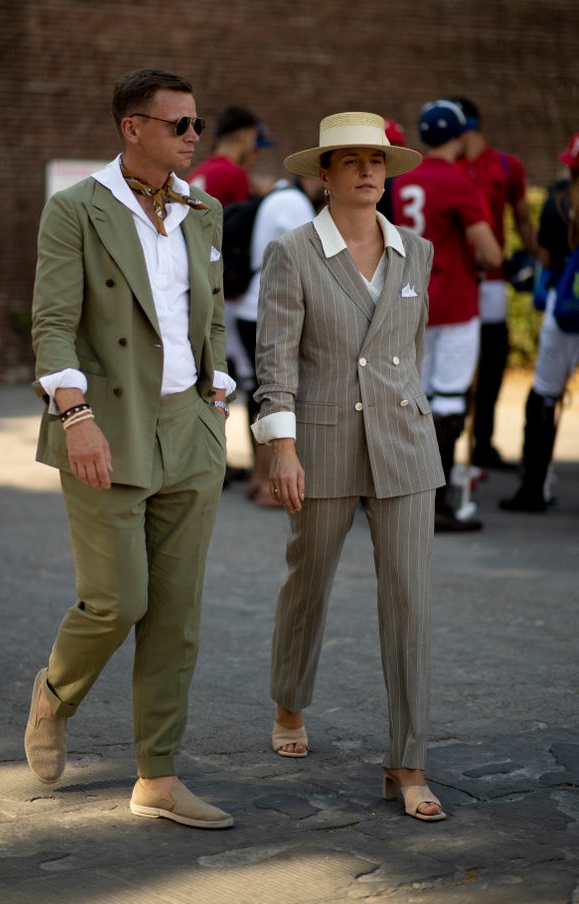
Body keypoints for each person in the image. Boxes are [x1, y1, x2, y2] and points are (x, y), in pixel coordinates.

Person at [25, 67, 235, 829]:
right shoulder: (77, 208)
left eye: (196, 124)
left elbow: (205, 314)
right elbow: (52, 320)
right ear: (132, 128)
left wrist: (219, 394)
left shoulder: (203, 209)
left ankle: (158, 776)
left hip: (192, 427)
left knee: (176, 614)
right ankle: (55, 694)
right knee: (119, 600)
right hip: (104, 424)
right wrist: (73, 413)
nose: (191, 137)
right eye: (178, 125)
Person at [253, 111, 447, 822]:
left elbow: (411, 352)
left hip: (405, 445)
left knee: (410, 604)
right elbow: (276, 357)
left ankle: (408, 761)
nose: (368, 171)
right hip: (322, 442)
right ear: (325, 174)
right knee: (309, 580)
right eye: (351, 161)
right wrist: (281, 446)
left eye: (378, 160)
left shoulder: (417, 251)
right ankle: (289, 700)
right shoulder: (293, 252)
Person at [391, 100, 503, 532]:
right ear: (459, 136)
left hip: (414, 300)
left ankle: (403, 493)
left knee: (415, 399)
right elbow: (491, 250)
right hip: (454, 302)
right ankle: (435, 504)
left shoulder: (405, 182)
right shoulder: (456, 180)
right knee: (450, 400)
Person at [453, 97, 538, 470]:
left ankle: (482, 441)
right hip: (454, 278)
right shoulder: (444, 166)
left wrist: (538, 259)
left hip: (491, 279)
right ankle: (447, 444)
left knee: (491, 361)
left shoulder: (505, 166)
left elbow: (521, 219)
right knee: (451, 365)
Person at [500, 132, 579, 512]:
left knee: (544, 396)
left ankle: (533, 488)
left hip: (564, 313)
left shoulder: (558, 203)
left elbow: (546, 260)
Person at [236, 175, 324, 505]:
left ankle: (260, 480)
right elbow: (308, 260)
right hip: (267, 305)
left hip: (252, 304)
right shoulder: (295, 203)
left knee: (261, 394)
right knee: (274, 395)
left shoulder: (277, 195)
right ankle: (266, 483)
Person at [188, 106, 274, 434]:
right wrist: (260, 200)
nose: (255, 152)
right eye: (254, 141)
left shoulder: (201, 170)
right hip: (223, 285)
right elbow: (239, 235)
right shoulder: (232, 174)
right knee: (235, 376)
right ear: (243, 136)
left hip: (196, 279)